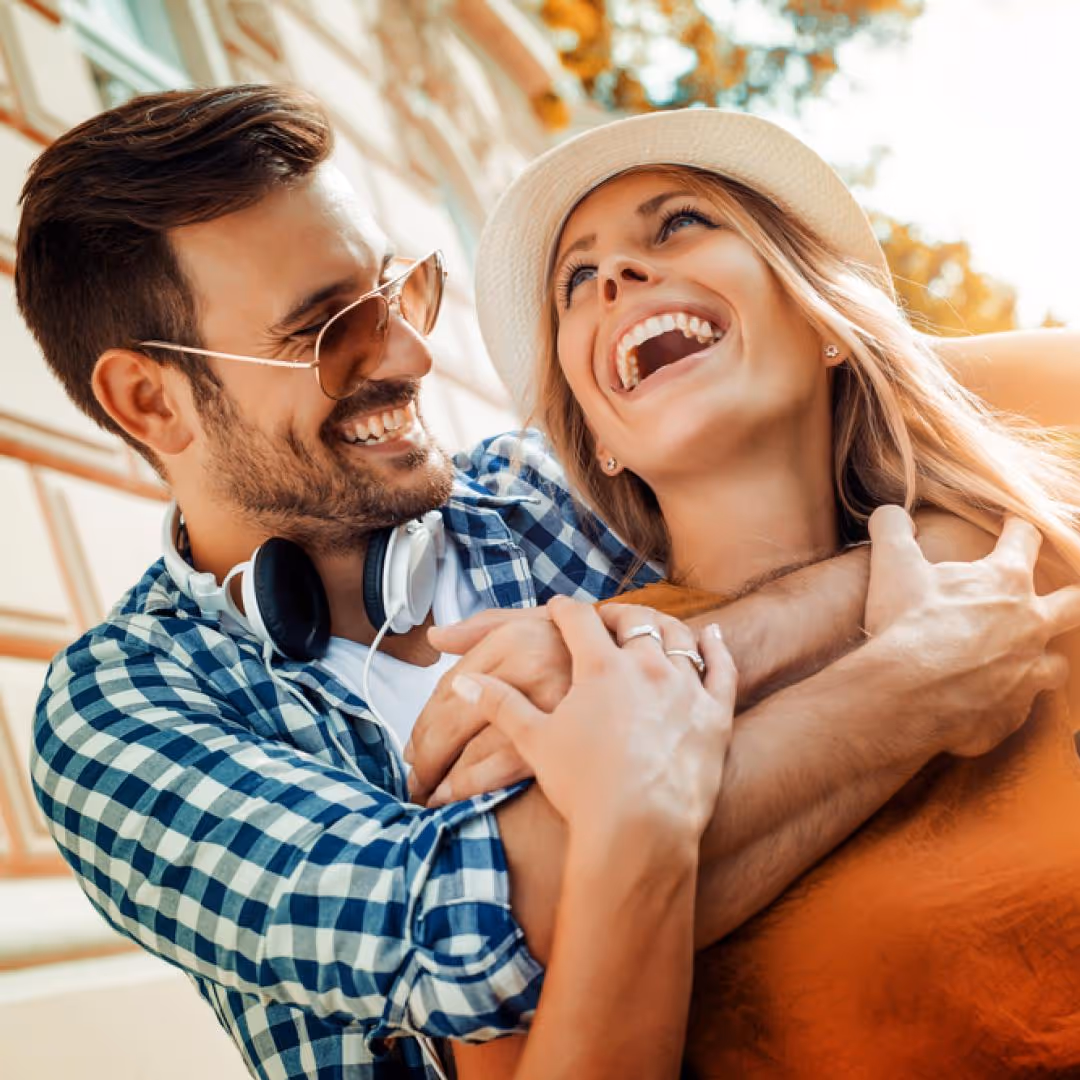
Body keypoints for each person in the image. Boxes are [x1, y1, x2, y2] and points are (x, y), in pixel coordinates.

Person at [17, 85, 1078, 1080]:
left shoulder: (543, 488)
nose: (412, 358)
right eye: (328, 331)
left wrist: (673, 651)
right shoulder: (121, 712)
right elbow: (471, 934)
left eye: (398, 292)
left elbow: (962, 446)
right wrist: (912, 692)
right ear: (153, 405)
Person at [420, 108, 1080, 1077]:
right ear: (597, 438)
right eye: (577, 280)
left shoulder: (1013, 562)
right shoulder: (546, 693)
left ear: (823, 323)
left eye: (679, 223)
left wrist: (947, 534)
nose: (616, 277)